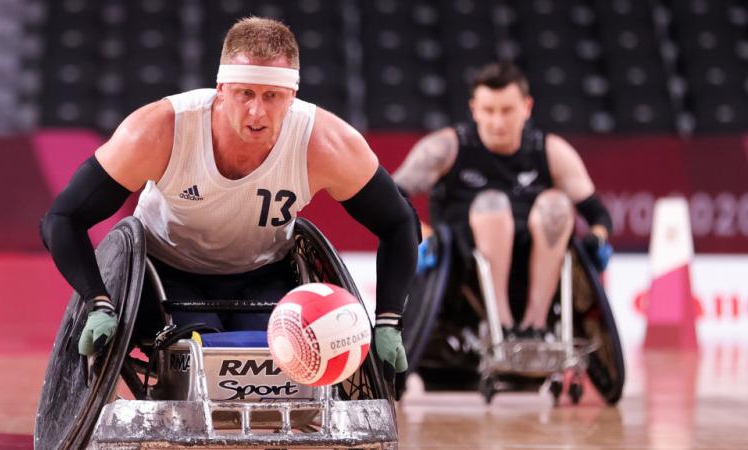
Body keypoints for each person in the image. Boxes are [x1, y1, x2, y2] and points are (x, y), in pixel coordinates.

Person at [40, 17, 416, 377]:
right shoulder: (160, 130)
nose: (257, 111)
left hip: (262, 276)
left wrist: (388, 321)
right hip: (164, 273)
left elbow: (399, 222)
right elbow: (62, 218)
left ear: (292, 96)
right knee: (206, 357)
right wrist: (97, 302)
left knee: (268, 364)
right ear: (221, 89)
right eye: (245, 94)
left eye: (272, 96)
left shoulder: (328, 143)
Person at [394, 62, 612, 339]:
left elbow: (598, 215)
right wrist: (422, 234)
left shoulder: (552, 151)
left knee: (556, 205)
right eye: (488, 111)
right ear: (474, 109)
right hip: (465, 263)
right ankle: (503, 327)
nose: (498, 122)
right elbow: (392, 196)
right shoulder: (445, 148)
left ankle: (535, 326)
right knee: (493, 205)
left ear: (527, 107)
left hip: (532, 258)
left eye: (507, 110)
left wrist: (598, 237)